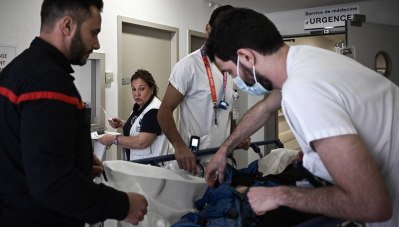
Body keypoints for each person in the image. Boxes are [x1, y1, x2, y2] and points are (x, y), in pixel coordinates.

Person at [204, 7, 398, 226]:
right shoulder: (305, 61)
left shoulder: (302, 90)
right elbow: (266, 108)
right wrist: (224, 150)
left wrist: (278, 195)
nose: (232, 79)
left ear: (246, 57)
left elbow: (371, 204)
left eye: (229, 72)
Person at [0, 1, 147, 226]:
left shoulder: (9, 74)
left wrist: (77, 162)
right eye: (94, 32)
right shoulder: (50, 83)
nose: (97, 43)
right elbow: (52, 184)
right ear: (68, 25)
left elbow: (23, 157)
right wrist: (122, 205)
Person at [157, 5, 251, 176]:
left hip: (223, 162)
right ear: (208, 29)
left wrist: (238, 138)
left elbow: (229, 111)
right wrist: (179, 147)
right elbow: (163, 112)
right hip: (194, 163)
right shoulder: (188, 66)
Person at [98, 69, 170, 161]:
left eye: (141, 89)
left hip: (149, 167)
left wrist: (113, 139)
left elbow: (142, 142)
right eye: (134, 89)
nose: (137, 94)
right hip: (136, 164)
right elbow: (142, 126)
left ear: (151, 89)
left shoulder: (154, 110)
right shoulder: (139, 107)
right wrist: (123, 124)